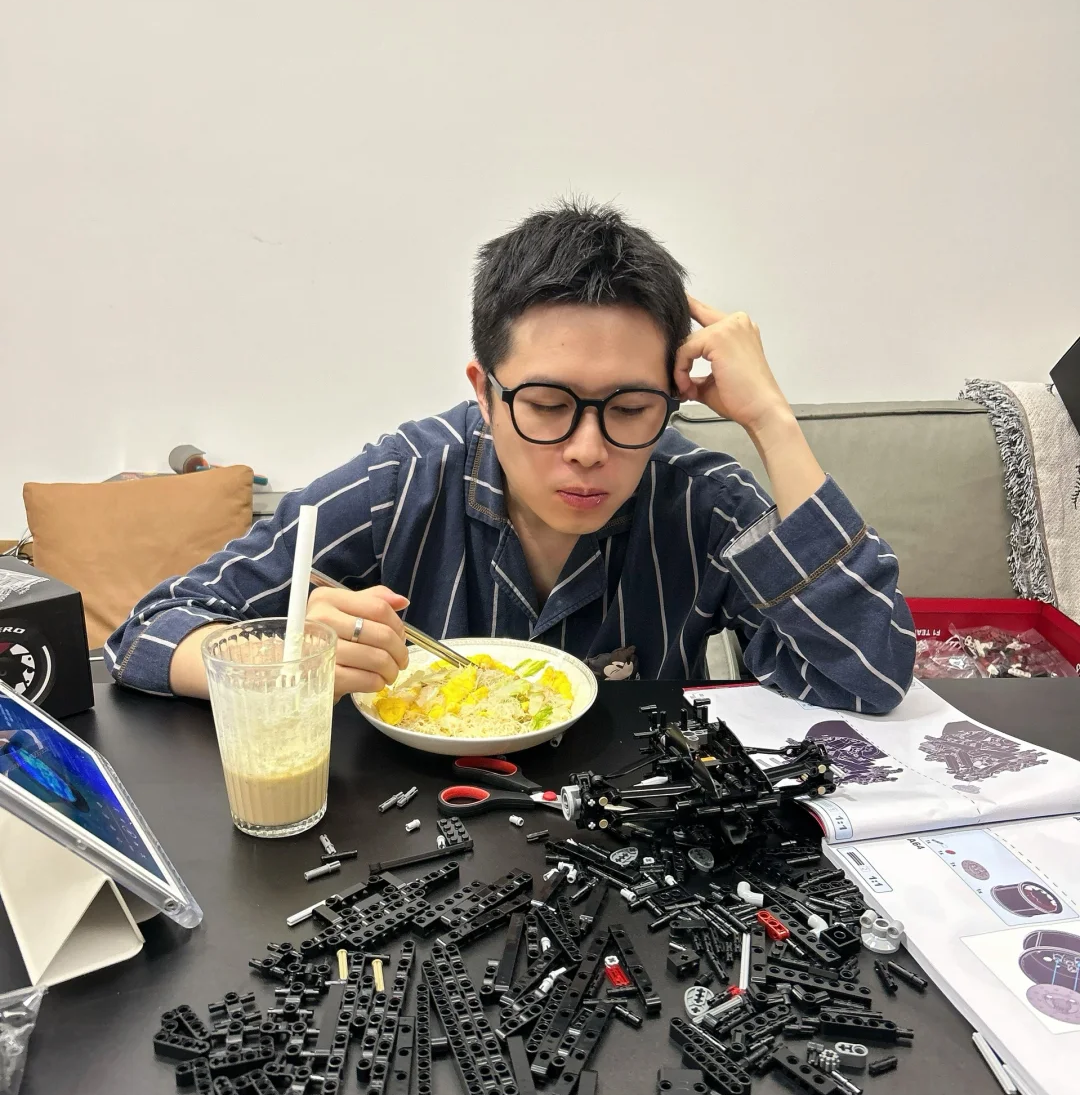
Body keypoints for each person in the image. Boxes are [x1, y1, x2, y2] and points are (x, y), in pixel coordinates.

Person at [106, 201, 915, 712]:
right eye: (547, 406)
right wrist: (285, 659)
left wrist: (773, 420)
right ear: (485, 395)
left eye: (631, 409)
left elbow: (866, 677)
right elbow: (146, 631)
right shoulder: (402, 480)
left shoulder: (700, 500)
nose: (588, 451)